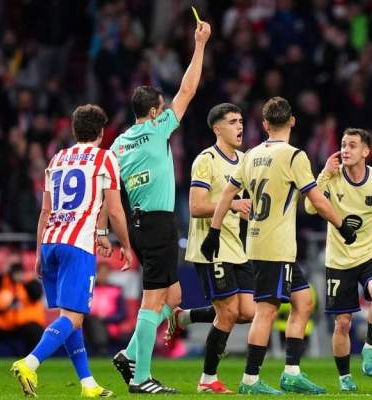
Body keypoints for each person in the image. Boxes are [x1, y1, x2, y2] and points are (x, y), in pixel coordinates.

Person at [200, 97, 357, 394]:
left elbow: (227, 195)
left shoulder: (251, 154)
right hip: (275, 246)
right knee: (267, 311)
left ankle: (291, 373)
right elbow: (317, 200)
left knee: (303, 301)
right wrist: (342, 226)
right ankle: (250, 380)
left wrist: (214, 231)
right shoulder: (294, 156)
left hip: (263, 242)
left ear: (265, 125)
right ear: (292, 121)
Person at [110, 20, 211, 394]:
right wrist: (200, 44)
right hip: (157, 223)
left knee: (174, 296)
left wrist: (106, 231)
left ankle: (128, 354)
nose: (167, 109)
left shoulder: (119, 144)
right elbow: (188, 89)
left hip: (139, 223)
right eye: (162, 107)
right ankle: (141, 377)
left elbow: (109, 190)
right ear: (154, 112)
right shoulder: (158, 129)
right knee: (153, 300)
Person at [11, 104, 133, 398]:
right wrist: (126, 245)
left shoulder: (57, 158)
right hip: (77, 246)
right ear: (101, 132)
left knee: (70, 316)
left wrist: (38, 253)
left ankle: (88, 384)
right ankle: (29, 363)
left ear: (74, 130)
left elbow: (45, 212)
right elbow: (115, 209)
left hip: (51, 243)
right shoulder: (105, 158)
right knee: (73, 317)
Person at [303, 128, 372, 391]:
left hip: (369, 253)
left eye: (352, 145)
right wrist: (323, 174)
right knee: (343, 323)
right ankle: (344, 378)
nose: (345, 150)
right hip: (338, 260)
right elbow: (309, 208)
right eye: (343, 144)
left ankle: (370, 347)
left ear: (366, 151)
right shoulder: (332, 177)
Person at [166, 103, 255, 393]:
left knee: (248, 312)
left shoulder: (244, 160)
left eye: (240, 121)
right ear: (217, 129)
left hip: (236, 245)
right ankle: (207, 380)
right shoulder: (206, 160)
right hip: (211, 246)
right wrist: (233, 204)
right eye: (232, 122)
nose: (239, 126)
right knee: (227, 313)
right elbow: (196, 207)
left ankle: (184, 317)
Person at [0, 256, 45, 357]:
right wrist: (2, 307)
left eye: (17, 266)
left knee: (35, 331)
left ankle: (32, 360)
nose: (15, 270)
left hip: (24, 324)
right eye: (12, 267)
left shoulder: (30, 281)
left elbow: (36, 295)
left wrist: (23, 281)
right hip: (2, 325)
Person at [84, 262, 127, 356]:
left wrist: (106, 317)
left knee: (97, 322)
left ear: (109, 274)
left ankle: (101, 349)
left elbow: (122, 314)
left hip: (109, 323)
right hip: (87, 322)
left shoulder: (116, 290)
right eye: (100, 273)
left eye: (105, 273)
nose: (103, 275)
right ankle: (102, 349)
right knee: (93, 320)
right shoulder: (89, 290)